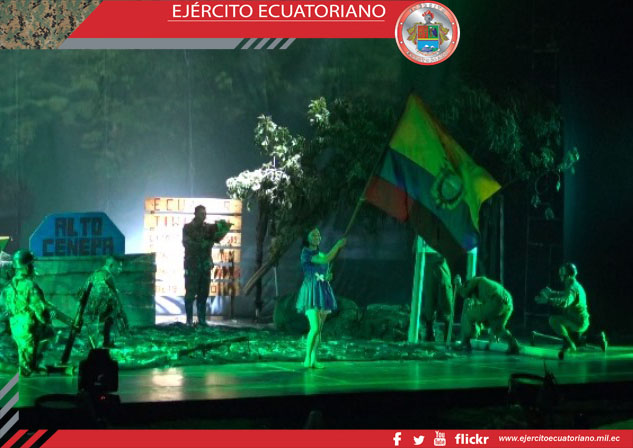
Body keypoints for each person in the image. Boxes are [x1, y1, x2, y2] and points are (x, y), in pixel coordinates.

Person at [296, 228, 346, 368]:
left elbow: (325, 270)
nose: (317, 236)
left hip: (323, 290)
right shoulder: (305, 253)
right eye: (313, 234)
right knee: (315, 327)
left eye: (318, 234)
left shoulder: (322, 253)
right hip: (312, 291)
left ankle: (314, 359)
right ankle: (307, 358)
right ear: (307, 237)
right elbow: (325, 259)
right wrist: (337, 245)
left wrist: (328, 276)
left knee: (319, 329)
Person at [0, 250, 52, 376]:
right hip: (28, 324)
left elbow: (4, 305)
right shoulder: (30, 285)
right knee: (29, 354)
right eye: (31, 264)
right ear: (27, 267)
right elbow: (40, 309)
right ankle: (28, 373)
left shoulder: (9, 286)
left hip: (15, 324)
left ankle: (28, 369)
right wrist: (47, 319)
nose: (33, 267)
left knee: (22, 350)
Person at [182, 205, 232, 326]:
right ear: (195, 214)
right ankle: (189, 320)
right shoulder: (188, 228)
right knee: (190, 293)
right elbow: (187, 243)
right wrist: (202, 244)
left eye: (205, 214)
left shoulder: (208, 228)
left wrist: (223, 226)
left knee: (203, 294)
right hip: (192, 266)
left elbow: (218, 234)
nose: (204, 216)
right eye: (201, 214)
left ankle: (202, 320)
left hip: (205, 266)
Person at [535, 262, 591, 359]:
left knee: (553, 320)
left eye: (562, 274)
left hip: (577, 322)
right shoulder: (574, 285)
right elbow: (564, 294)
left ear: (567, 275)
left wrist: (548, 300)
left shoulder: (572, 287)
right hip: (578, 320)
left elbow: (565, 302)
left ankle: (569, 343)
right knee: (578, 340)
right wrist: (552, 293)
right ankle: (598, 338)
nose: (560, 276)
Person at [455, 275, 520, 354]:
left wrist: (458, 284)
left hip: (496, 301)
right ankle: (513, 344)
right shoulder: (485, 286)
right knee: (497, 328)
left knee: (468, 315)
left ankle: (465, 342)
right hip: (508, 303)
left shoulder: (476, 280)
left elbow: (464, 292)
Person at [83, 255, 129, 348]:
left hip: (87, 309)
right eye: (119, 267)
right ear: (111, 265)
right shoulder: (107, 276)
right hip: (95, 309)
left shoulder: (95, 273)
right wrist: (122, 315)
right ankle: (108, 341)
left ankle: (102, 341)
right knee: (116, 309)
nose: (121, 269)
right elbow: (114, 297)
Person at [421, 248, 454, 342]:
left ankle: (448, 333)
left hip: (440, 264)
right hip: (429, 264)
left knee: (446, 299)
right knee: (430, 300)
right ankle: (430, 333)